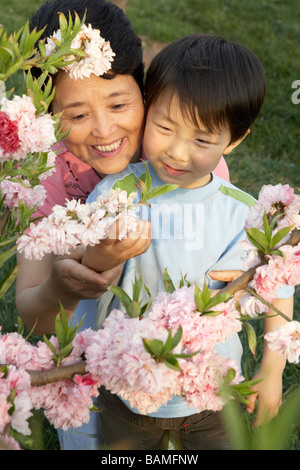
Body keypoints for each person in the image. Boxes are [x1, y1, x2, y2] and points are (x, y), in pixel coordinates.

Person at [14, 0, 229, 450]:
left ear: (145, 91)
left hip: (179, 384)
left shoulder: (185, 160)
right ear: (46, 115)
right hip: (90, 378)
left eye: (118, 103)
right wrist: (64, 286)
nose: (104, 129)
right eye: (76, 115)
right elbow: (33, 317)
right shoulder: (42, 179)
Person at [84, 34, 294, 450]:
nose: (177, 152)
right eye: (164, 127)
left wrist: (272, 371)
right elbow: (82, 272)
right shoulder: (114, 195)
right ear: (148, 111)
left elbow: (277, 286)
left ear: (233, 140)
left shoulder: (246, 214)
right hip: (125, 384)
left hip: (213, 391)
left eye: (201, 140)